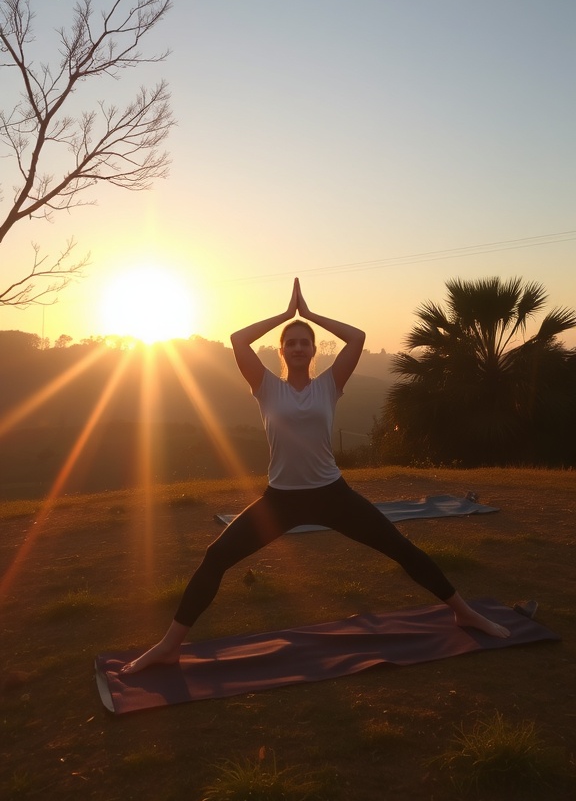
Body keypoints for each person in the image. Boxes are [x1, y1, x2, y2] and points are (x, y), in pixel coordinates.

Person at [121, 279, 508, 674]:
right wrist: (285, 316)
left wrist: (309, 315)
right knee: (216, 556)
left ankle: (463, 612)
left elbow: (357, 337)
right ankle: (170, 646)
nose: (299, 347)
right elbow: (238, 340)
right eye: (292, 342)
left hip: (332, 494)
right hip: (280, 500)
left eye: (306, 342)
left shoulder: (329, 385)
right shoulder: (266, 387)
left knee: (400, 547)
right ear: (282, 350)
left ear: (313, 350)